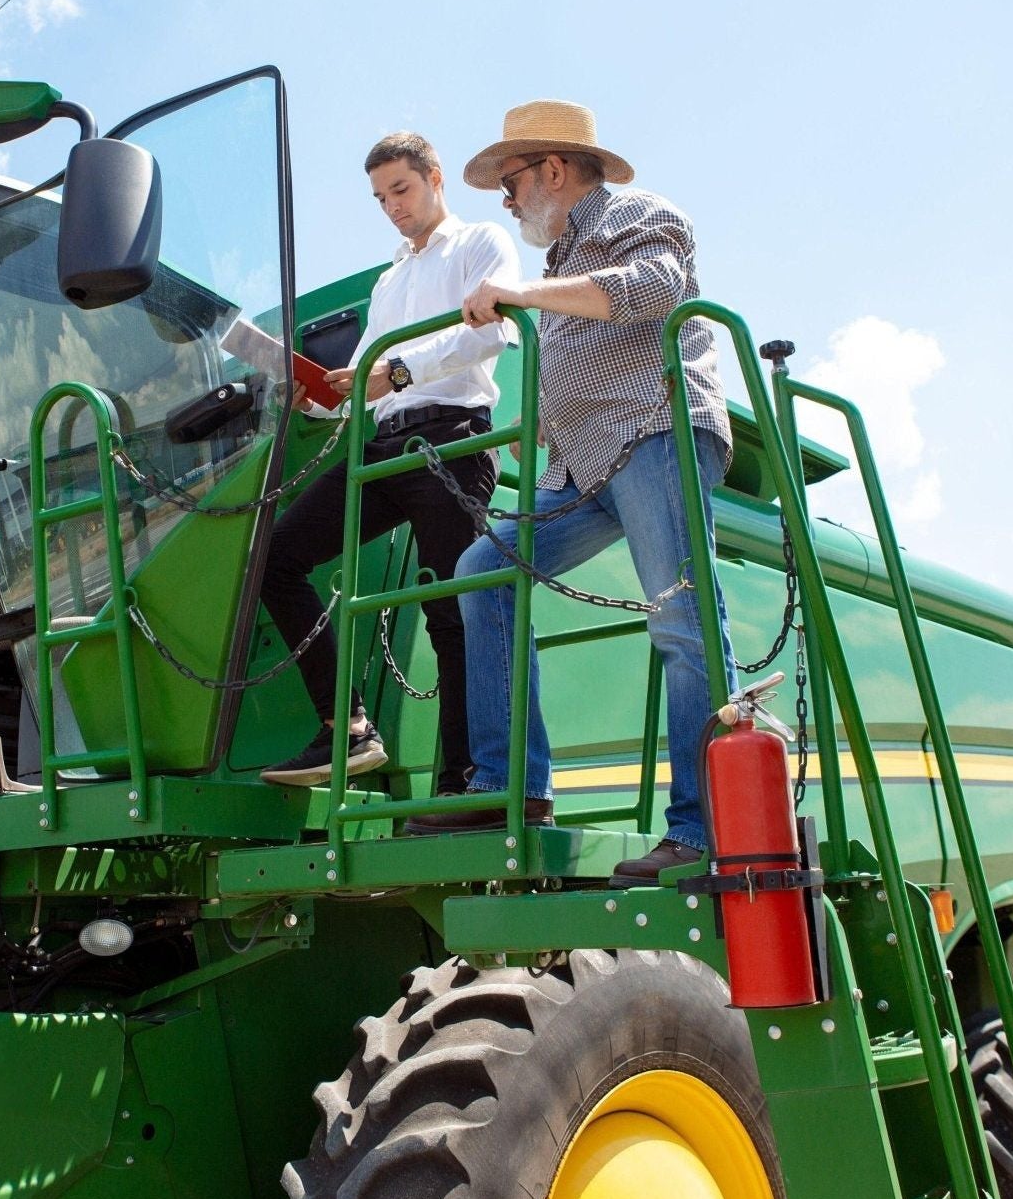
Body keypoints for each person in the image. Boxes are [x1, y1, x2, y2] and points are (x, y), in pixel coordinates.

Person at [403, 100, 736, 890]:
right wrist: (542, 422)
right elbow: (587, 353)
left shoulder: (636, 213)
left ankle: (702, 832)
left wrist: (516, 295)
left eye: (511, 183)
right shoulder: (558, 269)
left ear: (554, 169)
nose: (508, 202)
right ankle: (510, 783)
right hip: (586, 463)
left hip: (656, 431)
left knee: (682, 621)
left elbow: (650, 291)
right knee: (485, 568)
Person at [259, 132, 520, 791]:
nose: (392, 207)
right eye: (380, 198)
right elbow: (365, 383)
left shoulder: (482, 243)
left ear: (435, 178)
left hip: (450, 443)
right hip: (382, 447)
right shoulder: (390, 280)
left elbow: (490, 331)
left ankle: (462, 787)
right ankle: (346, 730)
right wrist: (316, 401)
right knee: (277, 556)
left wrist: (396, 370)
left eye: (400, 189)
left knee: (450, 613)